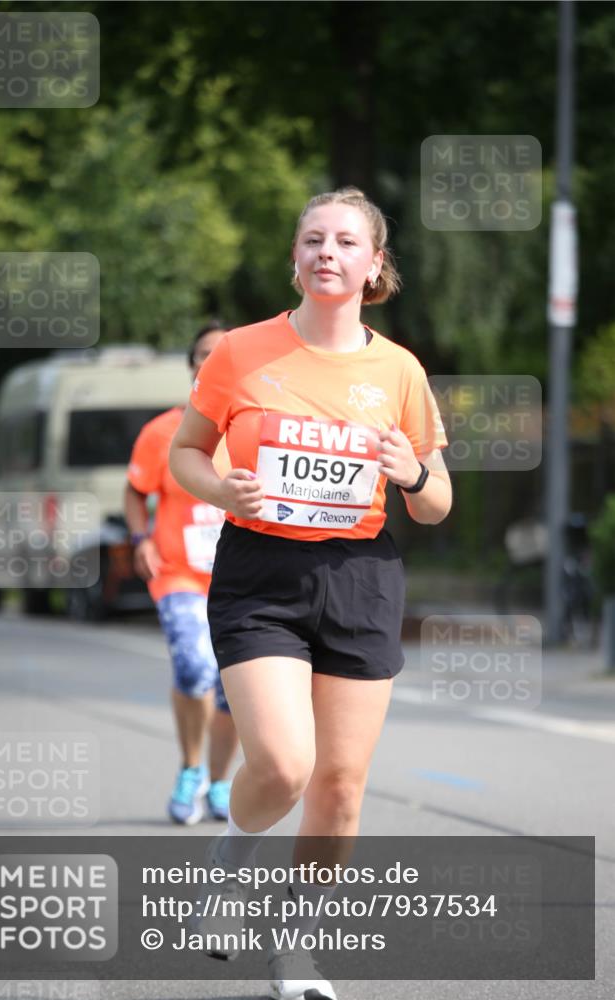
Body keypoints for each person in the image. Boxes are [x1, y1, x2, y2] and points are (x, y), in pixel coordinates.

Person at [169, 188, 452, 1000]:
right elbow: (189, 451)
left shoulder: (397, 370)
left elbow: (436, 504)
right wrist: (224, 493)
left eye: (345, 243)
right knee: (286, 765)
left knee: (337, 787)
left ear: (373, 266)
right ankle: (225, 875)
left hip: (360, 577)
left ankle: (295, 951)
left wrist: (413, 474)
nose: (327, 252)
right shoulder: (239, 353)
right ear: (294, 259)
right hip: (261, 573)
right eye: (312, 240)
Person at [124, 323, 238, 825]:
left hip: (242, 580)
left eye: (222, 353)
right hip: (179, 575)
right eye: (203, 354)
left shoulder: (257, 427)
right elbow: (135, 491)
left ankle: (218, 782)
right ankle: (190, 768)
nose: (211, 361)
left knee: (235, 691)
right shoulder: (162, 431)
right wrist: (140, 538)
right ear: (192, 366)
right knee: (195, 669)